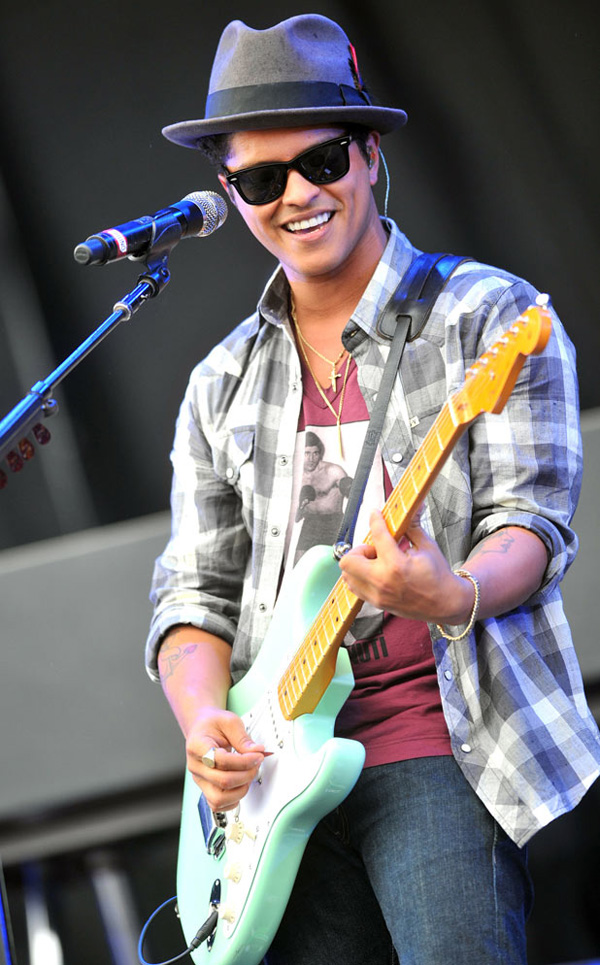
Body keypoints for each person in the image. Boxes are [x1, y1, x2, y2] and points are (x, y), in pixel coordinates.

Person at [146, 14, 600, 965]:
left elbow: (531, 521)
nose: (298, 195)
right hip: (273, 786)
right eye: (262, 180)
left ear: (370, 153)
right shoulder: (218, 383)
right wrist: (204, 724)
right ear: (229, 191)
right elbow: (192, 595)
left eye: (321, 161)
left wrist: (454, 591)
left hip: (440, 742)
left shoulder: (490, 316)